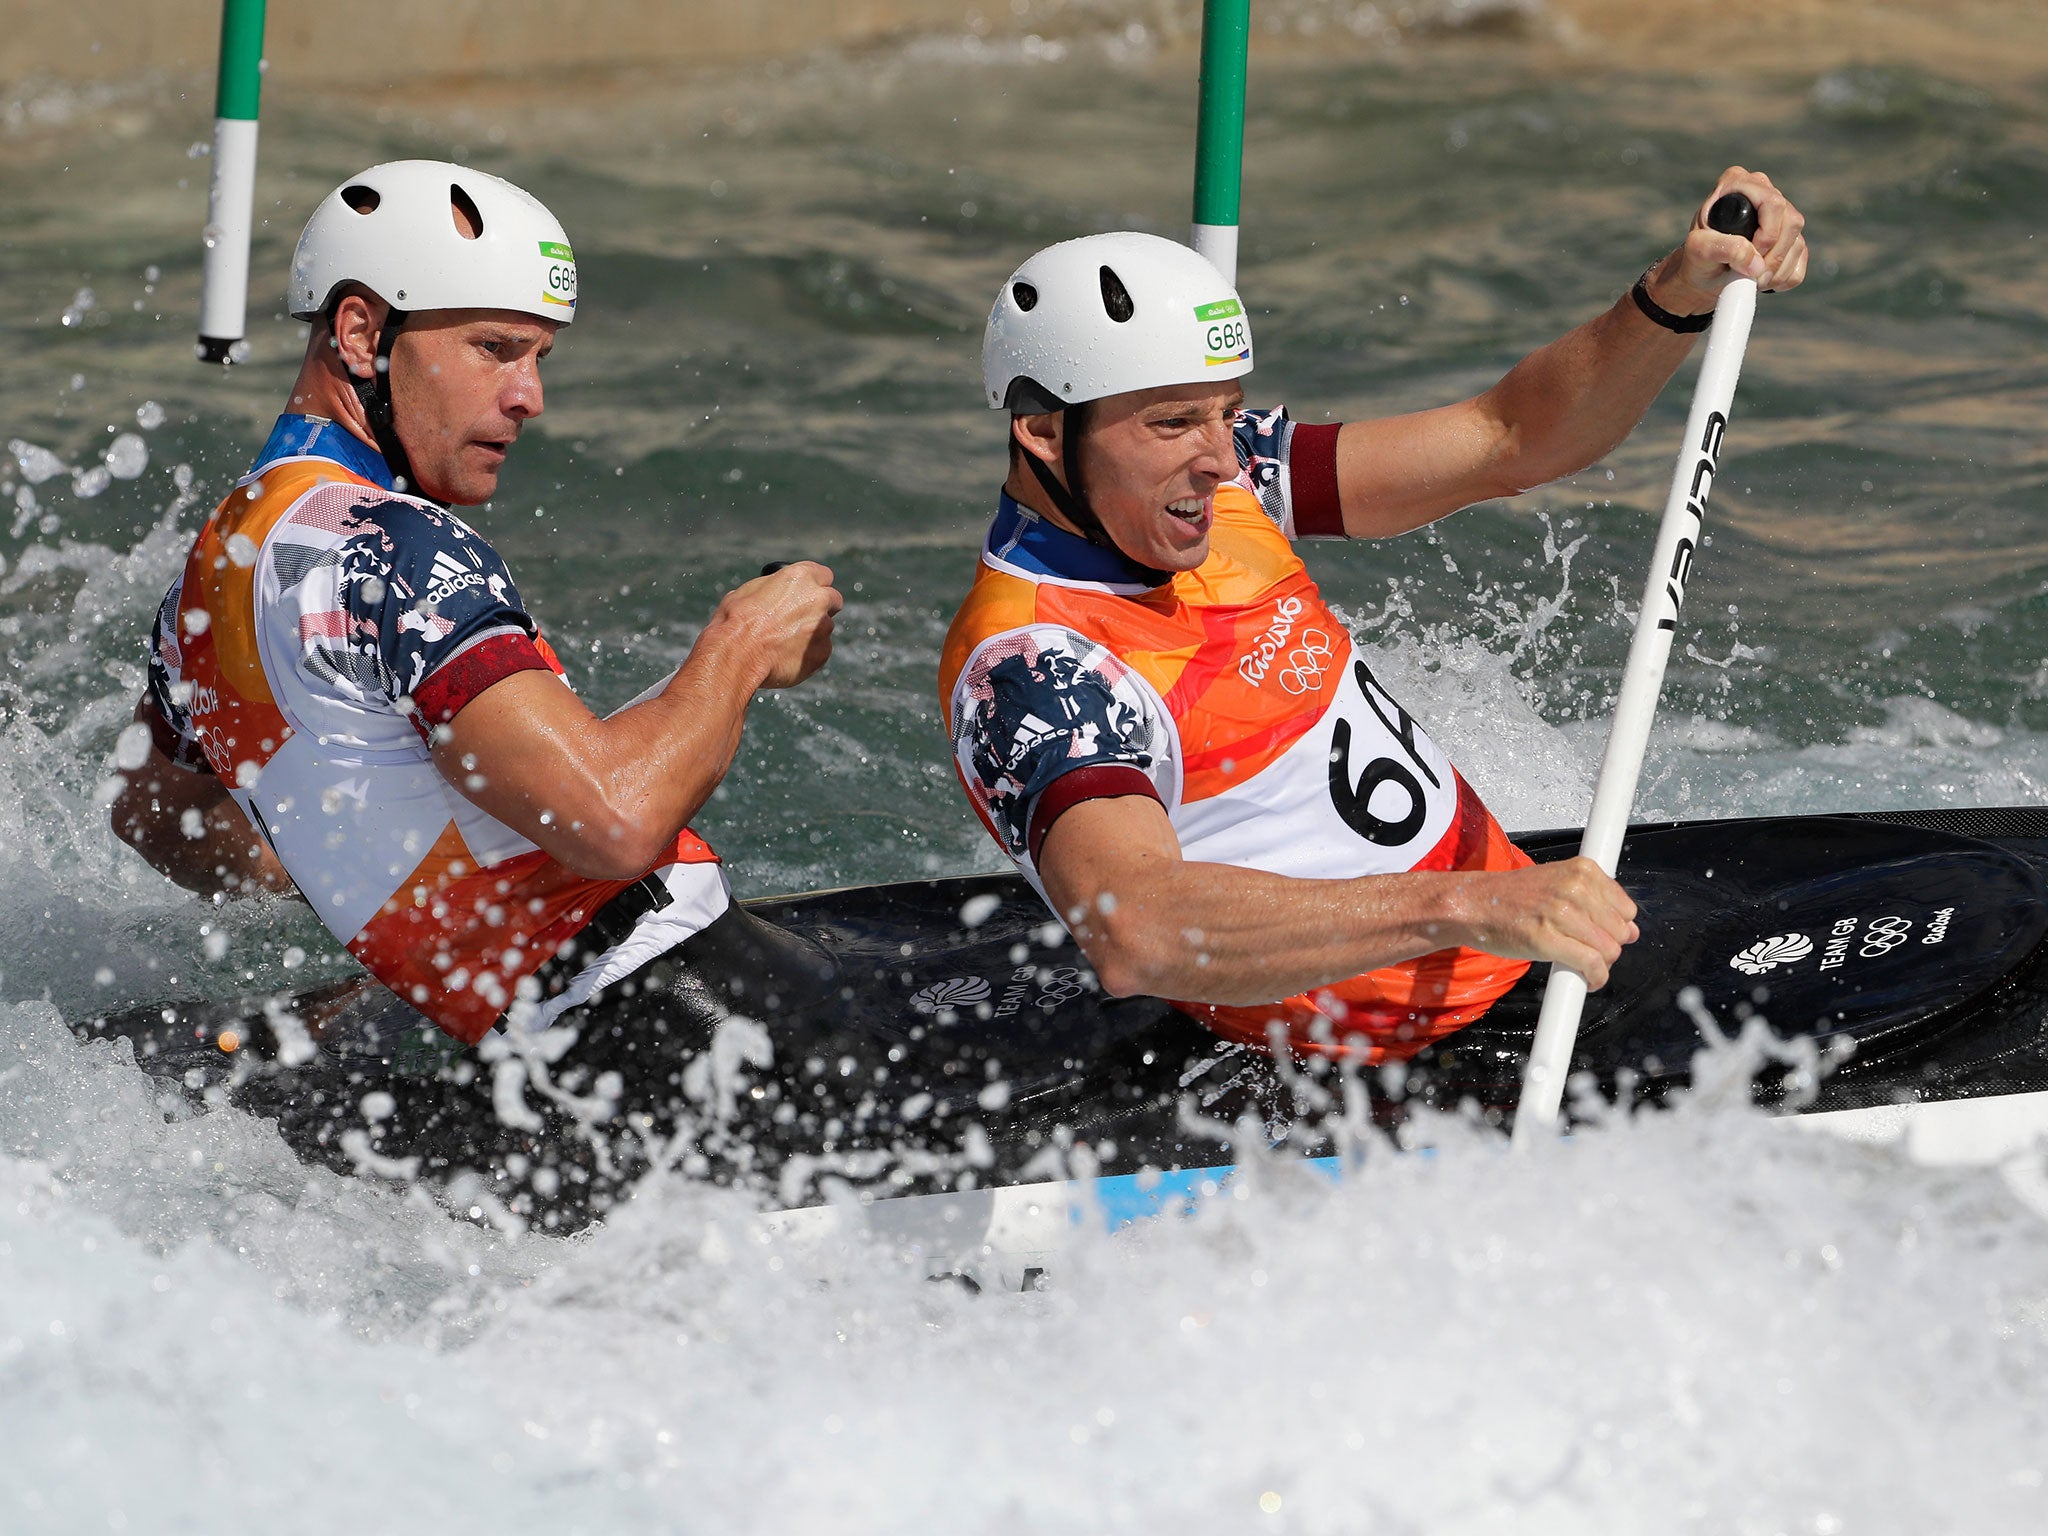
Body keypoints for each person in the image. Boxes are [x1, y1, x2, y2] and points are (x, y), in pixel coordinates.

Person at [942, 168, 1808, 1063]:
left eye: (1227, 413)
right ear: (1043, 433)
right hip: (1410, 1054)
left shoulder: (1230, 482)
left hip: (1514, 955)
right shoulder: (1035, 664)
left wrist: (1676, 296)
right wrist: (1467, 906)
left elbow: (1508, 439)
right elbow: (1137, 931)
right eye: (1171, 424)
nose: (1216, 458)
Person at [110, 159, 843, 1052]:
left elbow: (152, 812)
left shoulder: (218, 562)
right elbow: (616, 823)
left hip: (530, 1039)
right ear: (359, 332)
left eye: (538, 357)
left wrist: (378, 868)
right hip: (677, 1009)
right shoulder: (398, 546)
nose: (529, 396)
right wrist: (742, 645)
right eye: (495, 349)